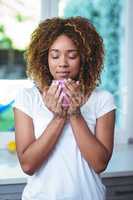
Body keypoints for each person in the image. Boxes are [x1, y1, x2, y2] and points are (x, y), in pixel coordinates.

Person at [13, 16, 116, 200]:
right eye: (55, 55)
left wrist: (75, 114)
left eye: (72, 55)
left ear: (85, 58)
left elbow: (100, 163)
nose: (62, 63)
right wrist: (59, 118)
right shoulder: (27, 98)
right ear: (45, 58)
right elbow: (28, 165)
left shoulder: (102, 100)